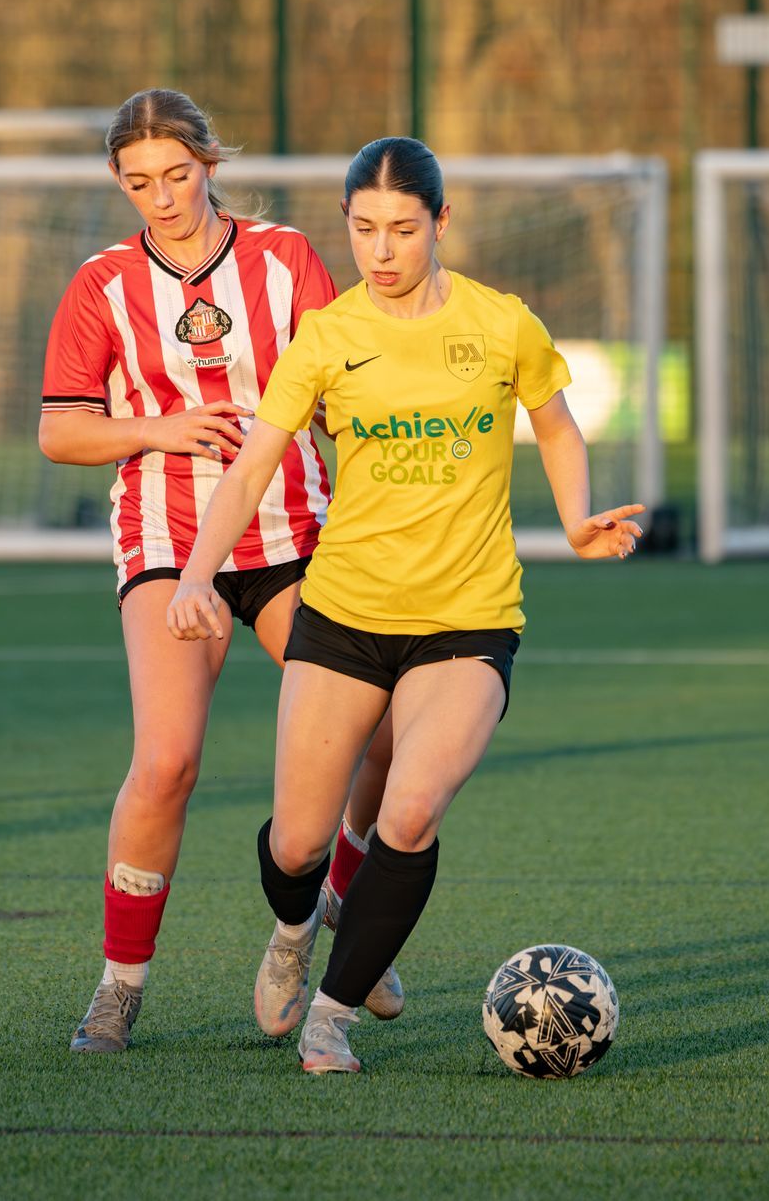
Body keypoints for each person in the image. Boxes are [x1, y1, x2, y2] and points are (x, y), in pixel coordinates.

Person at [165, 136, 644, 1074]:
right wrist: (194, 574)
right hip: (343, 618)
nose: (381, 250)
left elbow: (552, 417)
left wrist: (578, 516)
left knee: (410, 811)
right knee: (299, 842)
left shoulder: (501, 324)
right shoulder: (329, 337)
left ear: (441, 224)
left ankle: (332, 1017)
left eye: (402, 230)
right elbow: (254, 462)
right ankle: (297, 932)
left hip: (468, 619)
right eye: (363, 229)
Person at [40, 89, 400, 1053]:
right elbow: (59, 430)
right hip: (167, 543)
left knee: (384, 734)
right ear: (120, 182)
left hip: (293, 536)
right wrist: (162, 427)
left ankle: (335, 902)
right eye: (138, 181)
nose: (161, 197)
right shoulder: (101, 285)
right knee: (166, 763)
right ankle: (119, 988)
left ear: (210, 165)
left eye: (177, 175)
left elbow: (343, 394)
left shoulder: (284, 259)